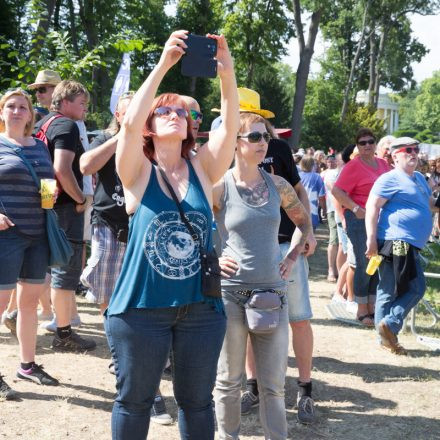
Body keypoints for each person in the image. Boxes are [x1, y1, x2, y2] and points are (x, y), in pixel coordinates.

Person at [104, 30, 239, 439]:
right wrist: (164, 65)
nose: (176, 115)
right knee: (135, 401)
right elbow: (127, 127)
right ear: (149, 127)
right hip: (141, 309)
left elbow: (231, 125)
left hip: (201, 309)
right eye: (165, 112)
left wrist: (226, 70)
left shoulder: (203, 168)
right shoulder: (137, 171)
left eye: (182, 113)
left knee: (197, 402)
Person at [213, 111, 312, 440]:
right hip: (230, 295)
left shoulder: (278, 184)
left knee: (273, 385)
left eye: (265, 137)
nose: (262, 143)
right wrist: (213, 257)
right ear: (236, 144)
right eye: (253, 137)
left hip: (272, 295)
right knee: (228, 381)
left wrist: (293, 255)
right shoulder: (219, 187)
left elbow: (304, 222)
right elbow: (195, 226)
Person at [0, 88, 59, 393]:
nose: (17, 110)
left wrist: (50, 196)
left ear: (30, 114)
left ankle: (27, 365)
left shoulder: (39, 146)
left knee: (30, 303)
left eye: (22, 106)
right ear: (2, 112)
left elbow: (48, 180)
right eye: (10, 106)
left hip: (38, 234)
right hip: (6, 235)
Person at [34, 80, 96, 351]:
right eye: (81, 102)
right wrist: (79, 198)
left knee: (50, 266)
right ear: (65, 101)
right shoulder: (66, 125)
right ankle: (63, 334)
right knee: (64, 269)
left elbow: (46, 171)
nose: (85, 108)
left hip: (48, 202)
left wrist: (48, 206)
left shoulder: (42, 124)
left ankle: (16, 314)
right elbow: (60, 167)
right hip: (66, 207)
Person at [365, 137, 436, 354]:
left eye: (416, 150)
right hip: (397, 241)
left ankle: (384, 338)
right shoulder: (390, 179)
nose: (413, 153)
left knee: (387, 287)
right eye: (408, 150)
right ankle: (391, 323)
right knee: (416, 287)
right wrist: (370, 238)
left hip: (409, 243)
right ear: (395, 156)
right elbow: (372, 207)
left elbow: (431, 205)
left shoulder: (419, 179)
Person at [332, 128, 390, 326]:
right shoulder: (353, 166)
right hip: (359, 221)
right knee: (365, 262)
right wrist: (355, 208)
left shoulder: (383, 164)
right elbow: (337, 191)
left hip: (379, 220)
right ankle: (361, 308)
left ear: (375, 144)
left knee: (377, 261)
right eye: (362, 143)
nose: (367, 145)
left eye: (370, 141)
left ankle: (373, 305)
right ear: (357, 146)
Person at [299, 156, 326, 231]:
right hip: (311, 212)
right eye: (315, 164)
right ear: (312, 165)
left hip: (297, 211)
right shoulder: (317, 177)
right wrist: (324, 209)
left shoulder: (297, 176)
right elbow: (321, 197)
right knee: (310, 238)